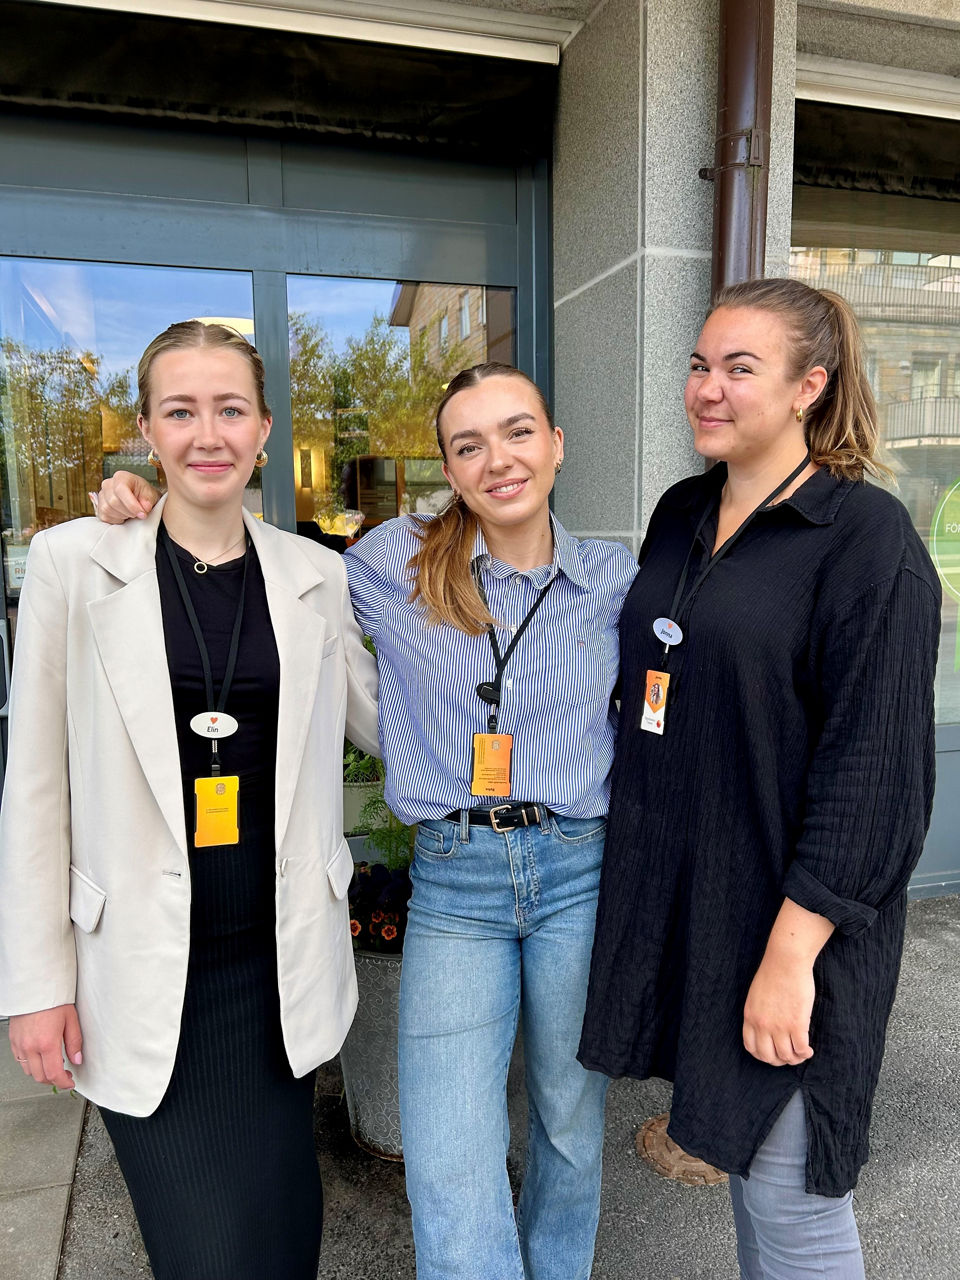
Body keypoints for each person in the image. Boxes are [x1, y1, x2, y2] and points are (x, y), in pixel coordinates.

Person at [91, 360, 639, 1280]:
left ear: (555, 445)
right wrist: (153, 508)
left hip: (581, 871)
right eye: (468, 445)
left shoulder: (613, 580)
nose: (497, 459)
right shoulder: (391, 562)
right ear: (449, 468)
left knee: (571, 1124)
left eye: (516, 432)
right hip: (457, 880)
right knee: (448, 1146)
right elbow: (257, 567)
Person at [0, 321, 379, 1280]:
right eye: (181, 411)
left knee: (288, 1239)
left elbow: (392, 723)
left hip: (278, 964)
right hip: (140, 965)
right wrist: (35, 984)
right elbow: (36, 783)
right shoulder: (74, 564)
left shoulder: (318, 574)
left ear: (262, 430)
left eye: (229, 409)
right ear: (146, 428)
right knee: (205, 1254)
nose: (206, 434)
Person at [578, 278, 941, 1279]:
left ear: (807, 387)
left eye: (741, 368)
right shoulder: (684, 510)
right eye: (699, 364)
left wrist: (791, 958)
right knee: (746, 1185)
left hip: (794, 930)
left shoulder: (866, 542)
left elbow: (878, 779)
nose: (708, 387)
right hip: (696, 905)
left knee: (793, 1204)